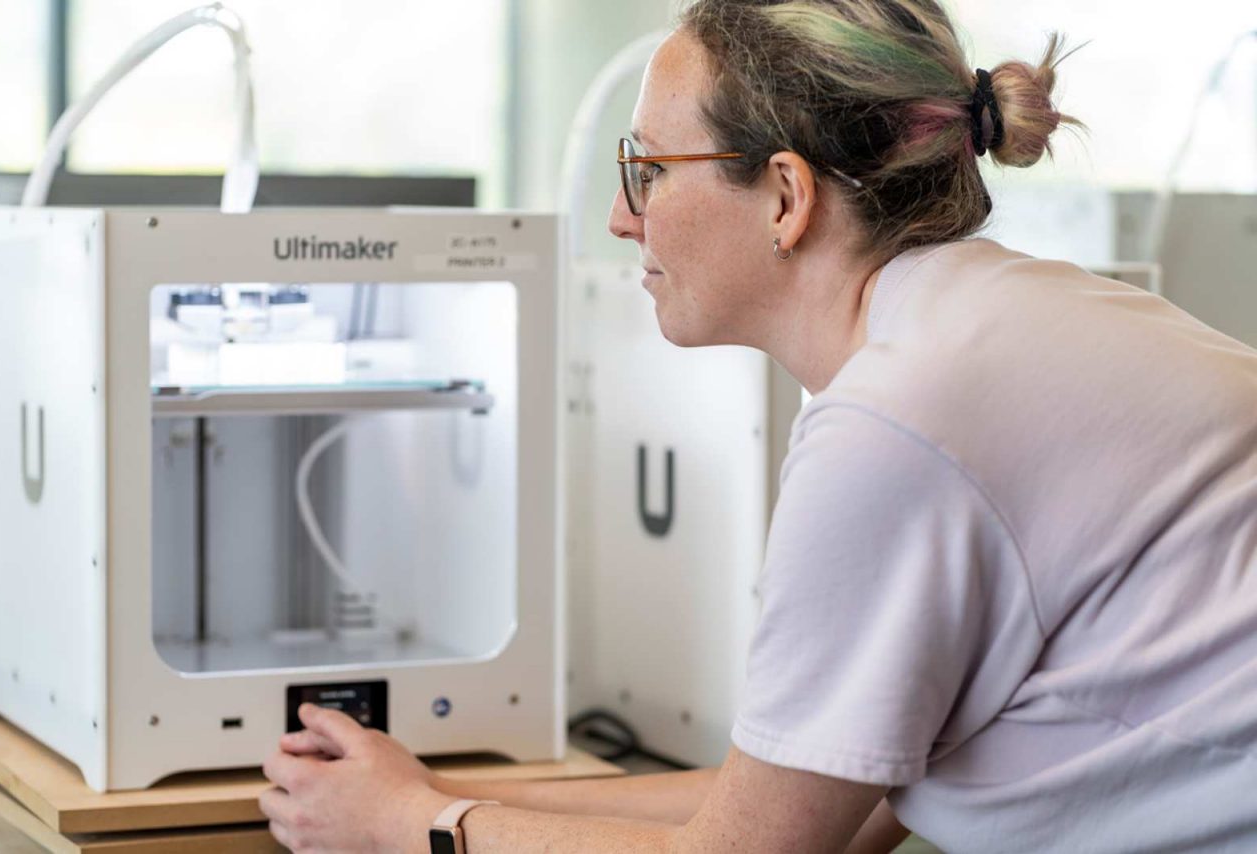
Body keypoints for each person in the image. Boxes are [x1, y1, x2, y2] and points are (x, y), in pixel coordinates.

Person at [260, 0, 1257, 851]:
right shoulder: (984, 323)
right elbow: (815, 799)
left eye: (647, 167)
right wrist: (418, 788)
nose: (619, 215)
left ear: (784, 195)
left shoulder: (894, 422)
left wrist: (419, 826)